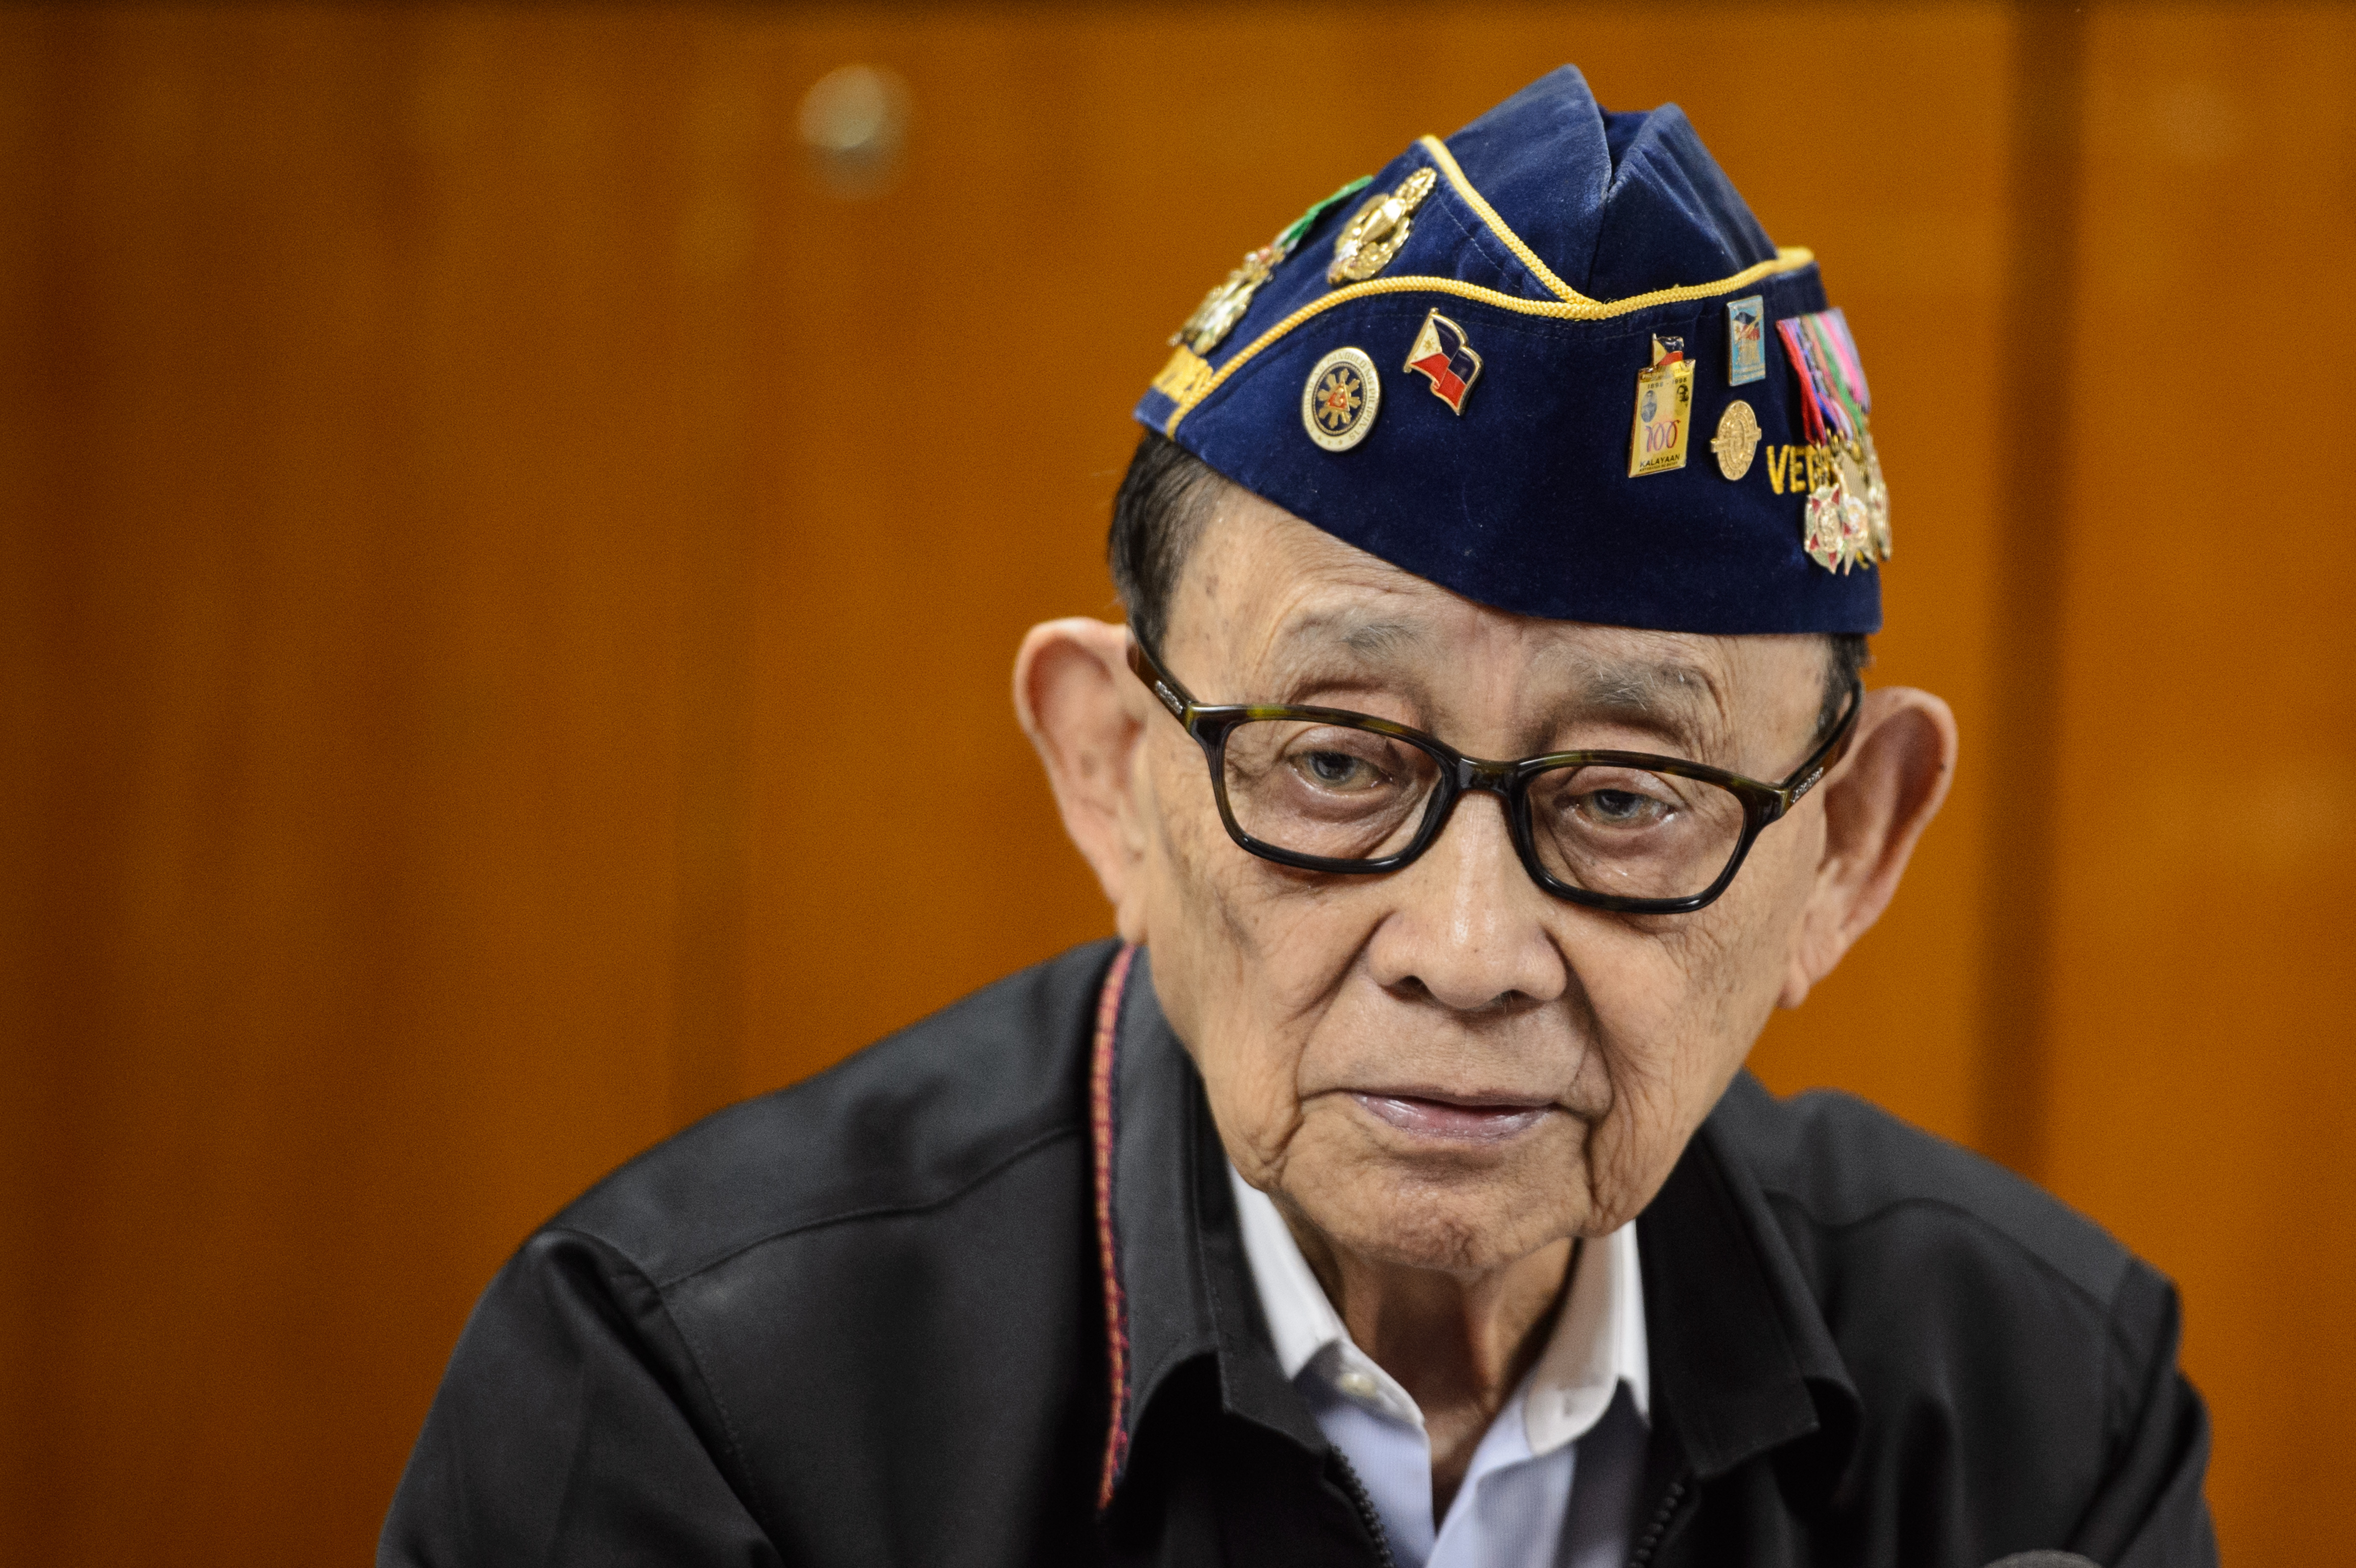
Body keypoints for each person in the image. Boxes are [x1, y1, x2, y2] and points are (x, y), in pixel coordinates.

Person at [380, 65, 2216, 1568]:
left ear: (1848, 846)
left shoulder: (2043, 1415)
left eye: (1627, 796)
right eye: (1337, 763)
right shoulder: (698, 1389)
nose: (1471, 955)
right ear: (1112, 771)